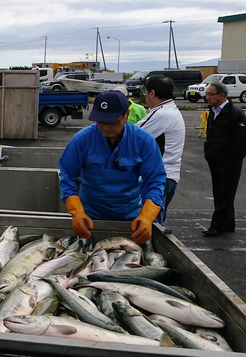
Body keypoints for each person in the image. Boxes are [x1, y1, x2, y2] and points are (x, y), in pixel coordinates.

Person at [59, 90, 166, 244]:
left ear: (126, 115)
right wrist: (76, 212)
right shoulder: (81, 140)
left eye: (112, 122)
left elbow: (155, 180)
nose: (106, 128)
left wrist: (147, 216)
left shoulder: (143, 141)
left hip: (130, 218)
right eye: (100, 121)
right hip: (89, 217)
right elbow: (67, 177)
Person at [202, 81, 246, 237]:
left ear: (222, 95)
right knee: (220, 193)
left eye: (211, 94)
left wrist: (231, 159)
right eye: (207, 94)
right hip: (215, 160)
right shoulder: (213, 111)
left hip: (228, 162)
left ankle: (216, 226)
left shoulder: (235, 113)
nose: (207, 97)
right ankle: (228, 223)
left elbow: (244, 141)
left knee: (224, 193)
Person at [137, 75, 186, 225]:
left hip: (159, 178)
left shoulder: (162, 114)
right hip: (168, 176)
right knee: (155, 226)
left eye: (145, 92)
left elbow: (134, 134)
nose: (145, 95)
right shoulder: (169, 111)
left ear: (152, 93)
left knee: (150, 227)